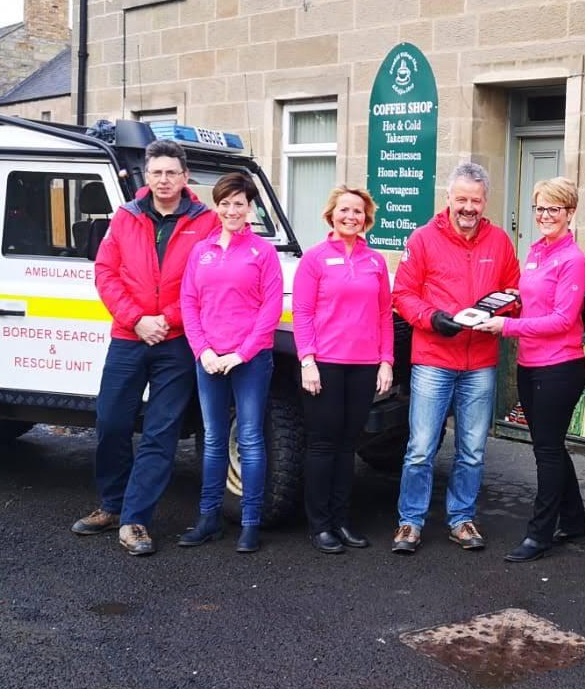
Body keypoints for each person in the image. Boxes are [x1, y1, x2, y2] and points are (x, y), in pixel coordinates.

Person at [74, 140, 219, 556]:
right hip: (128, 335)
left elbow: (204, 282)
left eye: (172, 172)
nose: (164, 180)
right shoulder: (126, 216)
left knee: (161, 431)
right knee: (112, 421)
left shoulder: (205, 221)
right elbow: (105, 273)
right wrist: (137, 319)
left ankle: (135, 520)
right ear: (147, 176)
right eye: (157, 172)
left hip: (176, 341)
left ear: (185, 177)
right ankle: (111, 504)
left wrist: (167, 320)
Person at [390, 162, 520, 554]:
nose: (468, 207)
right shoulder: (423, 239)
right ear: (448, 198)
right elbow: (403, 294)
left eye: (475, 200)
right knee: (421, 447)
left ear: (485, 201)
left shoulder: (499, 242)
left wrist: (499, 311)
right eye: (461, 199)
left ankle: (461, 518)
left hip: (479, 360)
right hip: (433, 356)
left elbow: (514, 291)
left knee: (473, 448)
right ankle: (409, 522)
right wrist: (432, 318)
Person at [473, 177, 585, 563]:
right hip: (529, 363)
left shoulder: (573, 260)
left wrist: (505, 327)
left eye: (553, 209)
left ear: (570, 213)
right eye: (539, 208)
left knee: (546, 451)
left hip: (559, 367)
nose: (544, 216)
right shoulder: (537, 252)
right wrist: (501, 307)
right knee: (551, 445)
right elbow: (532, 304)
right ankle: (573, 521)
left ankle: (540, 534)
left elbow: (562, 320)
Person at [176, 173, 283, 553]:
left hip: (249, 359)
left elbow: (271, 308)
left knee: (251, 439)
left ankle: (250, 523)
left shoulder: (263, 252)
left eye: (239, 203)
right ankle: (208, 518)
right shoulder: (201, 251)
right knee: (213, 439)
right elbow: (189, 301)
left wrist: (240, 353)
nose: (231, 210)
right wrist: (203, 350)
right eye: (225, 203)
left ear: (250, 208)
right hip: (208, 360)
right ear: (216, 206)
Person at [294, 186, 394, 555]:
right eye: (344, 210)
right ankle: (320, 525)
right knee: (322, 445)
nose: (350, 217)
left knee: (348, 445)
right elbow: (302, 314)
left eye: (357, 212)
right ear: (331, 214)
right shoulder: (315, 259)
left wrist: (386, 361)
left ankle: (341, 520)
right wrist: (307, 360)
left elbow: (385, 313)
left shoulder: (376, 262)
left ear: (366, 218)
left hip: (365, 366)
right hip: (325, 366)